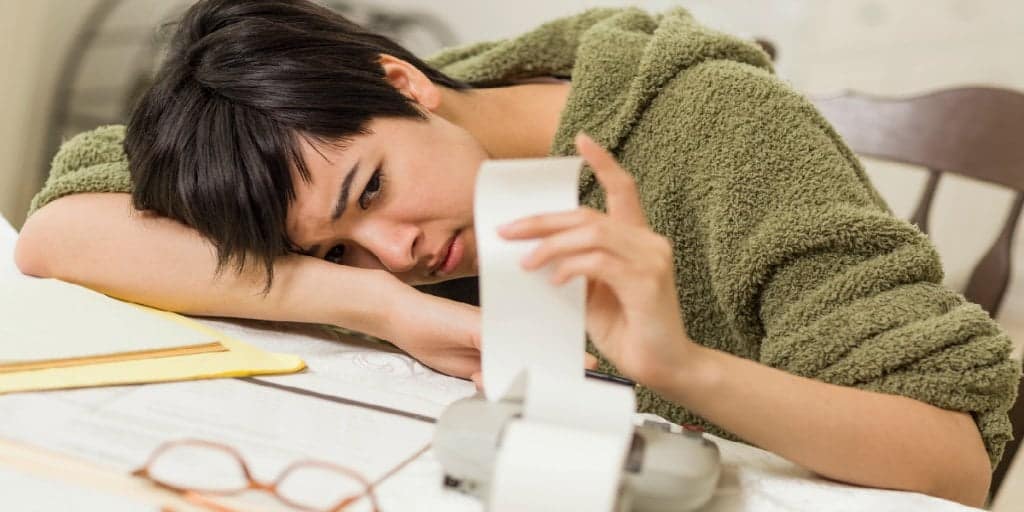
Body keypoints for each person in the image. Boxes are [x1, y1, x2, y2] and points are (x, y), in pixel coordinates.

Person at [14, 0, 1019, 506]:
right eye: (338, 247)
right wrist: (381, 309)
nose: (395, 250)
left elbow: (955, 460)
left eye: (369, 193)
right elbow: (62, 231)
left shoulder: (716, 133)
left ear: (404, 81)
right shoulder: (337, 188)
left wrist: (683, 366)